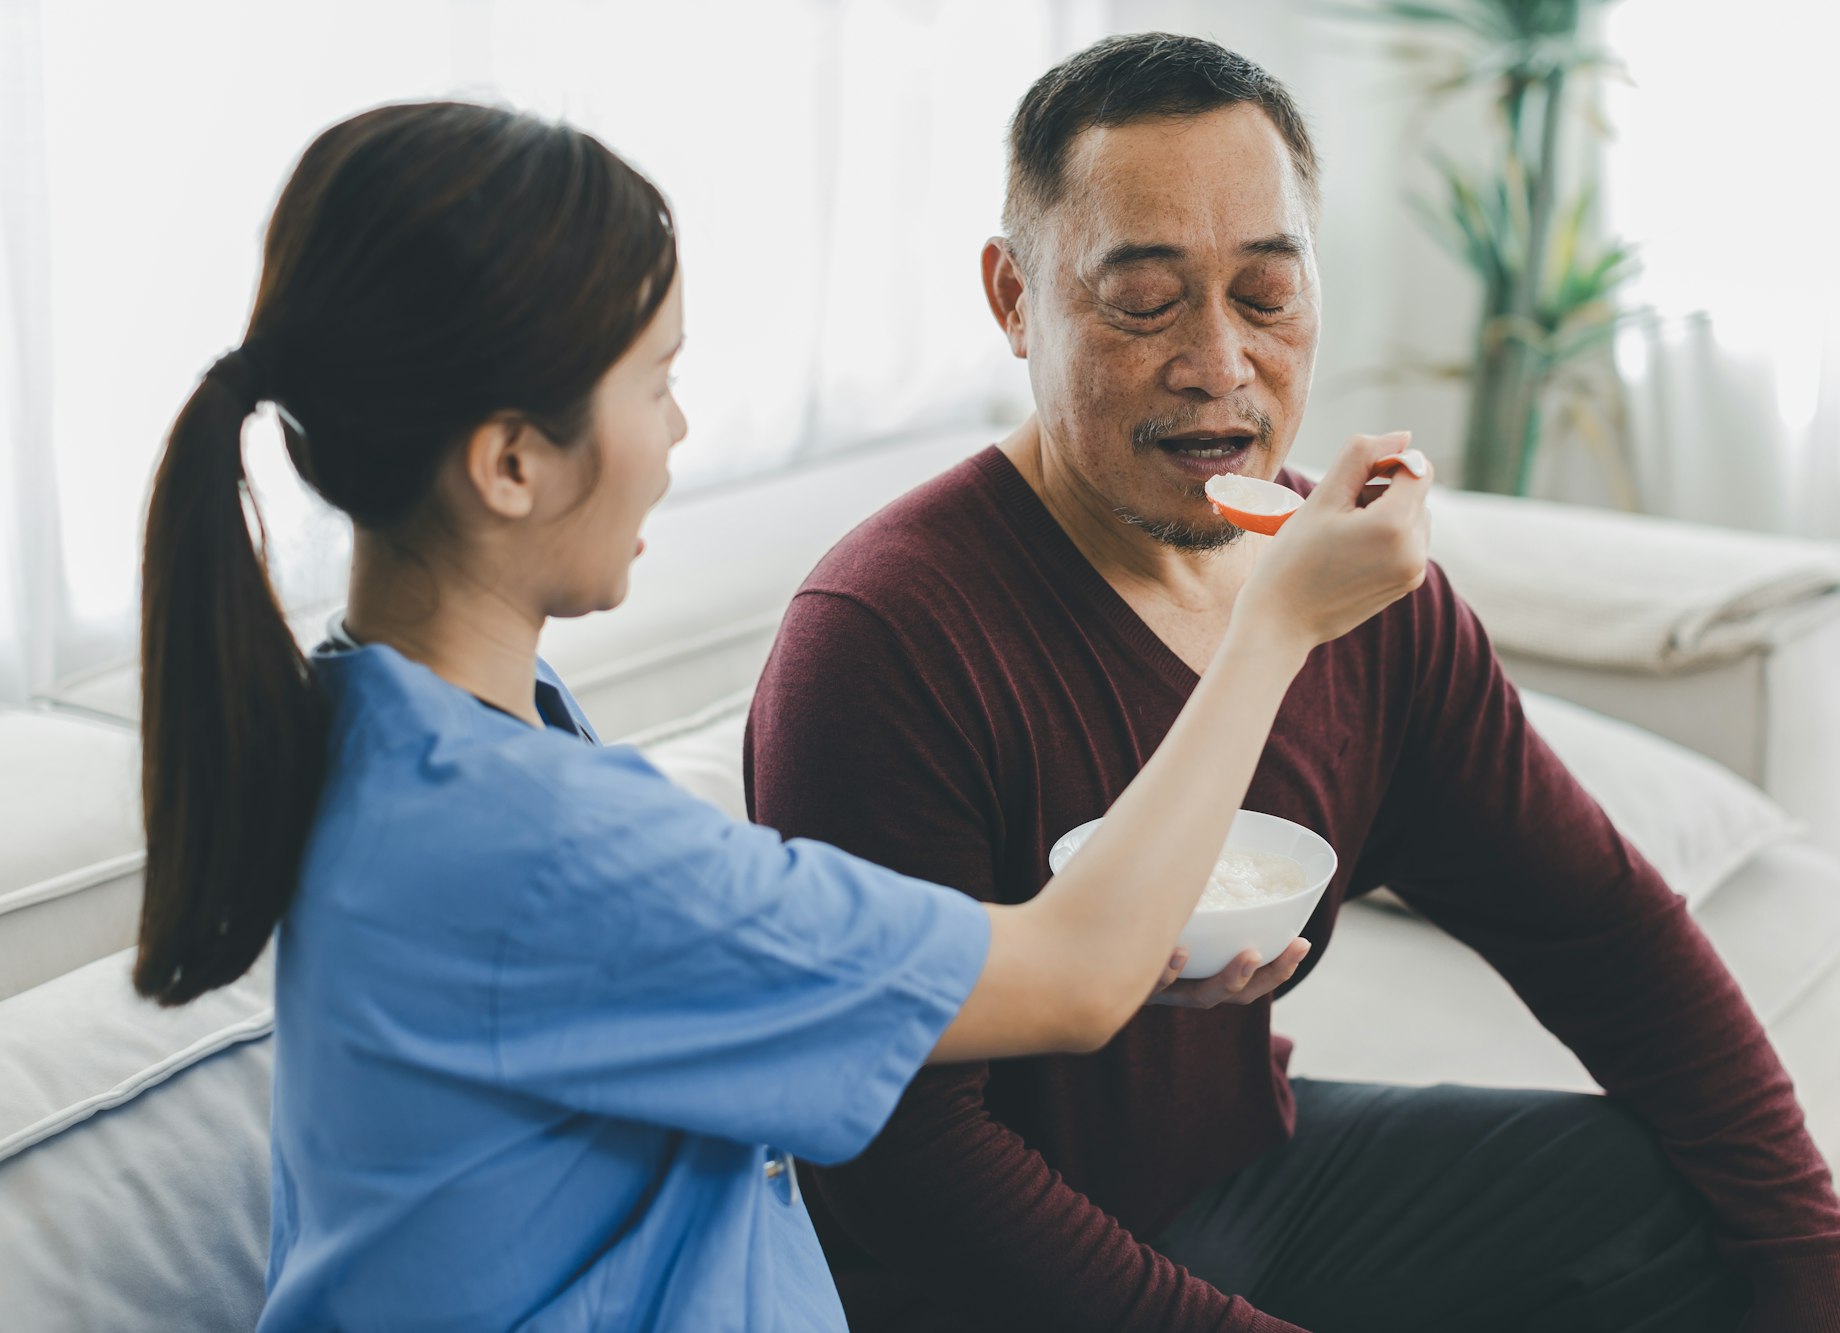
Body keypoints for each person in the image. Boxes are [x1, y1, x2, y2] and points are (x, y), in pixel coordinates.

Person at [132, 101, 1432, 1331]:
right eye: (657, 382)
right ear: (512, 461)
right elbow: (1073, 978)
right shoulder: (545, 850)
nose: (680, 431)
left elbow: (736, 994)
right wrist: (1279, 623)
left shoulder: (389, 730)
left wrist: (1140, 938)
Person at [745, 33, 1840, 1333]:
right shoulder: (885, 631)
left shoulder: (1350, 585)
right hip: (968, 1288)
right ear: (1015, 298)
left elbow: (1606, 935)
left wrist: (1820, 1264)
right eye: (1145, 298)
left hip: (1242, 1181)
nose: (1220, 363)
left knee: (1694, 1202)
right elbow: (901, 1166)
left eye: (1266, 294)